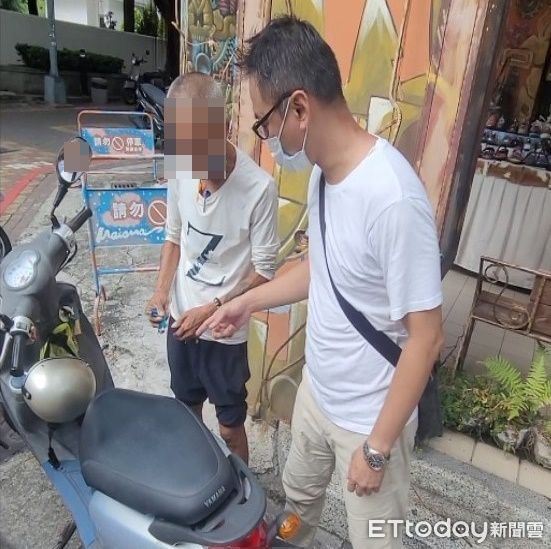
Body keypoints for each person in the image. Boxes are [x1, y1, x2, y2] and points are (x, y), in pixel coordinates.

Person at [198, 16, 444, 549]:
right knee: (298, 505)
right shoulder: (323, 177)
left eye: (265, 124)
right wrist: (247, 303)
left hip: (370, 420)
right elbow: (322, 269)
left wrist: (376, 449)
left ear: (300, 109)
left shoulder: (393, 200)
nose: (266, 139)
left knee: (375, 538)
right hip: (317, 395)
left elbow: (426, 338)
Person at [146, 72, 279, 464]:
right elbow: (174, 237)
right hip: (180, 320)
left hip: (225, 331)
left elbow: (264, 271)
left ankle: (244, 485)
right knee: (186, 411)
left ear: (223, 128)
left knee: (229, 426)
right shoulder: (180, 167)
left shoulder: (259, 188)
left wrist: (213, 307)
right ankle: (196, 475)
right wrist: (160, 292)